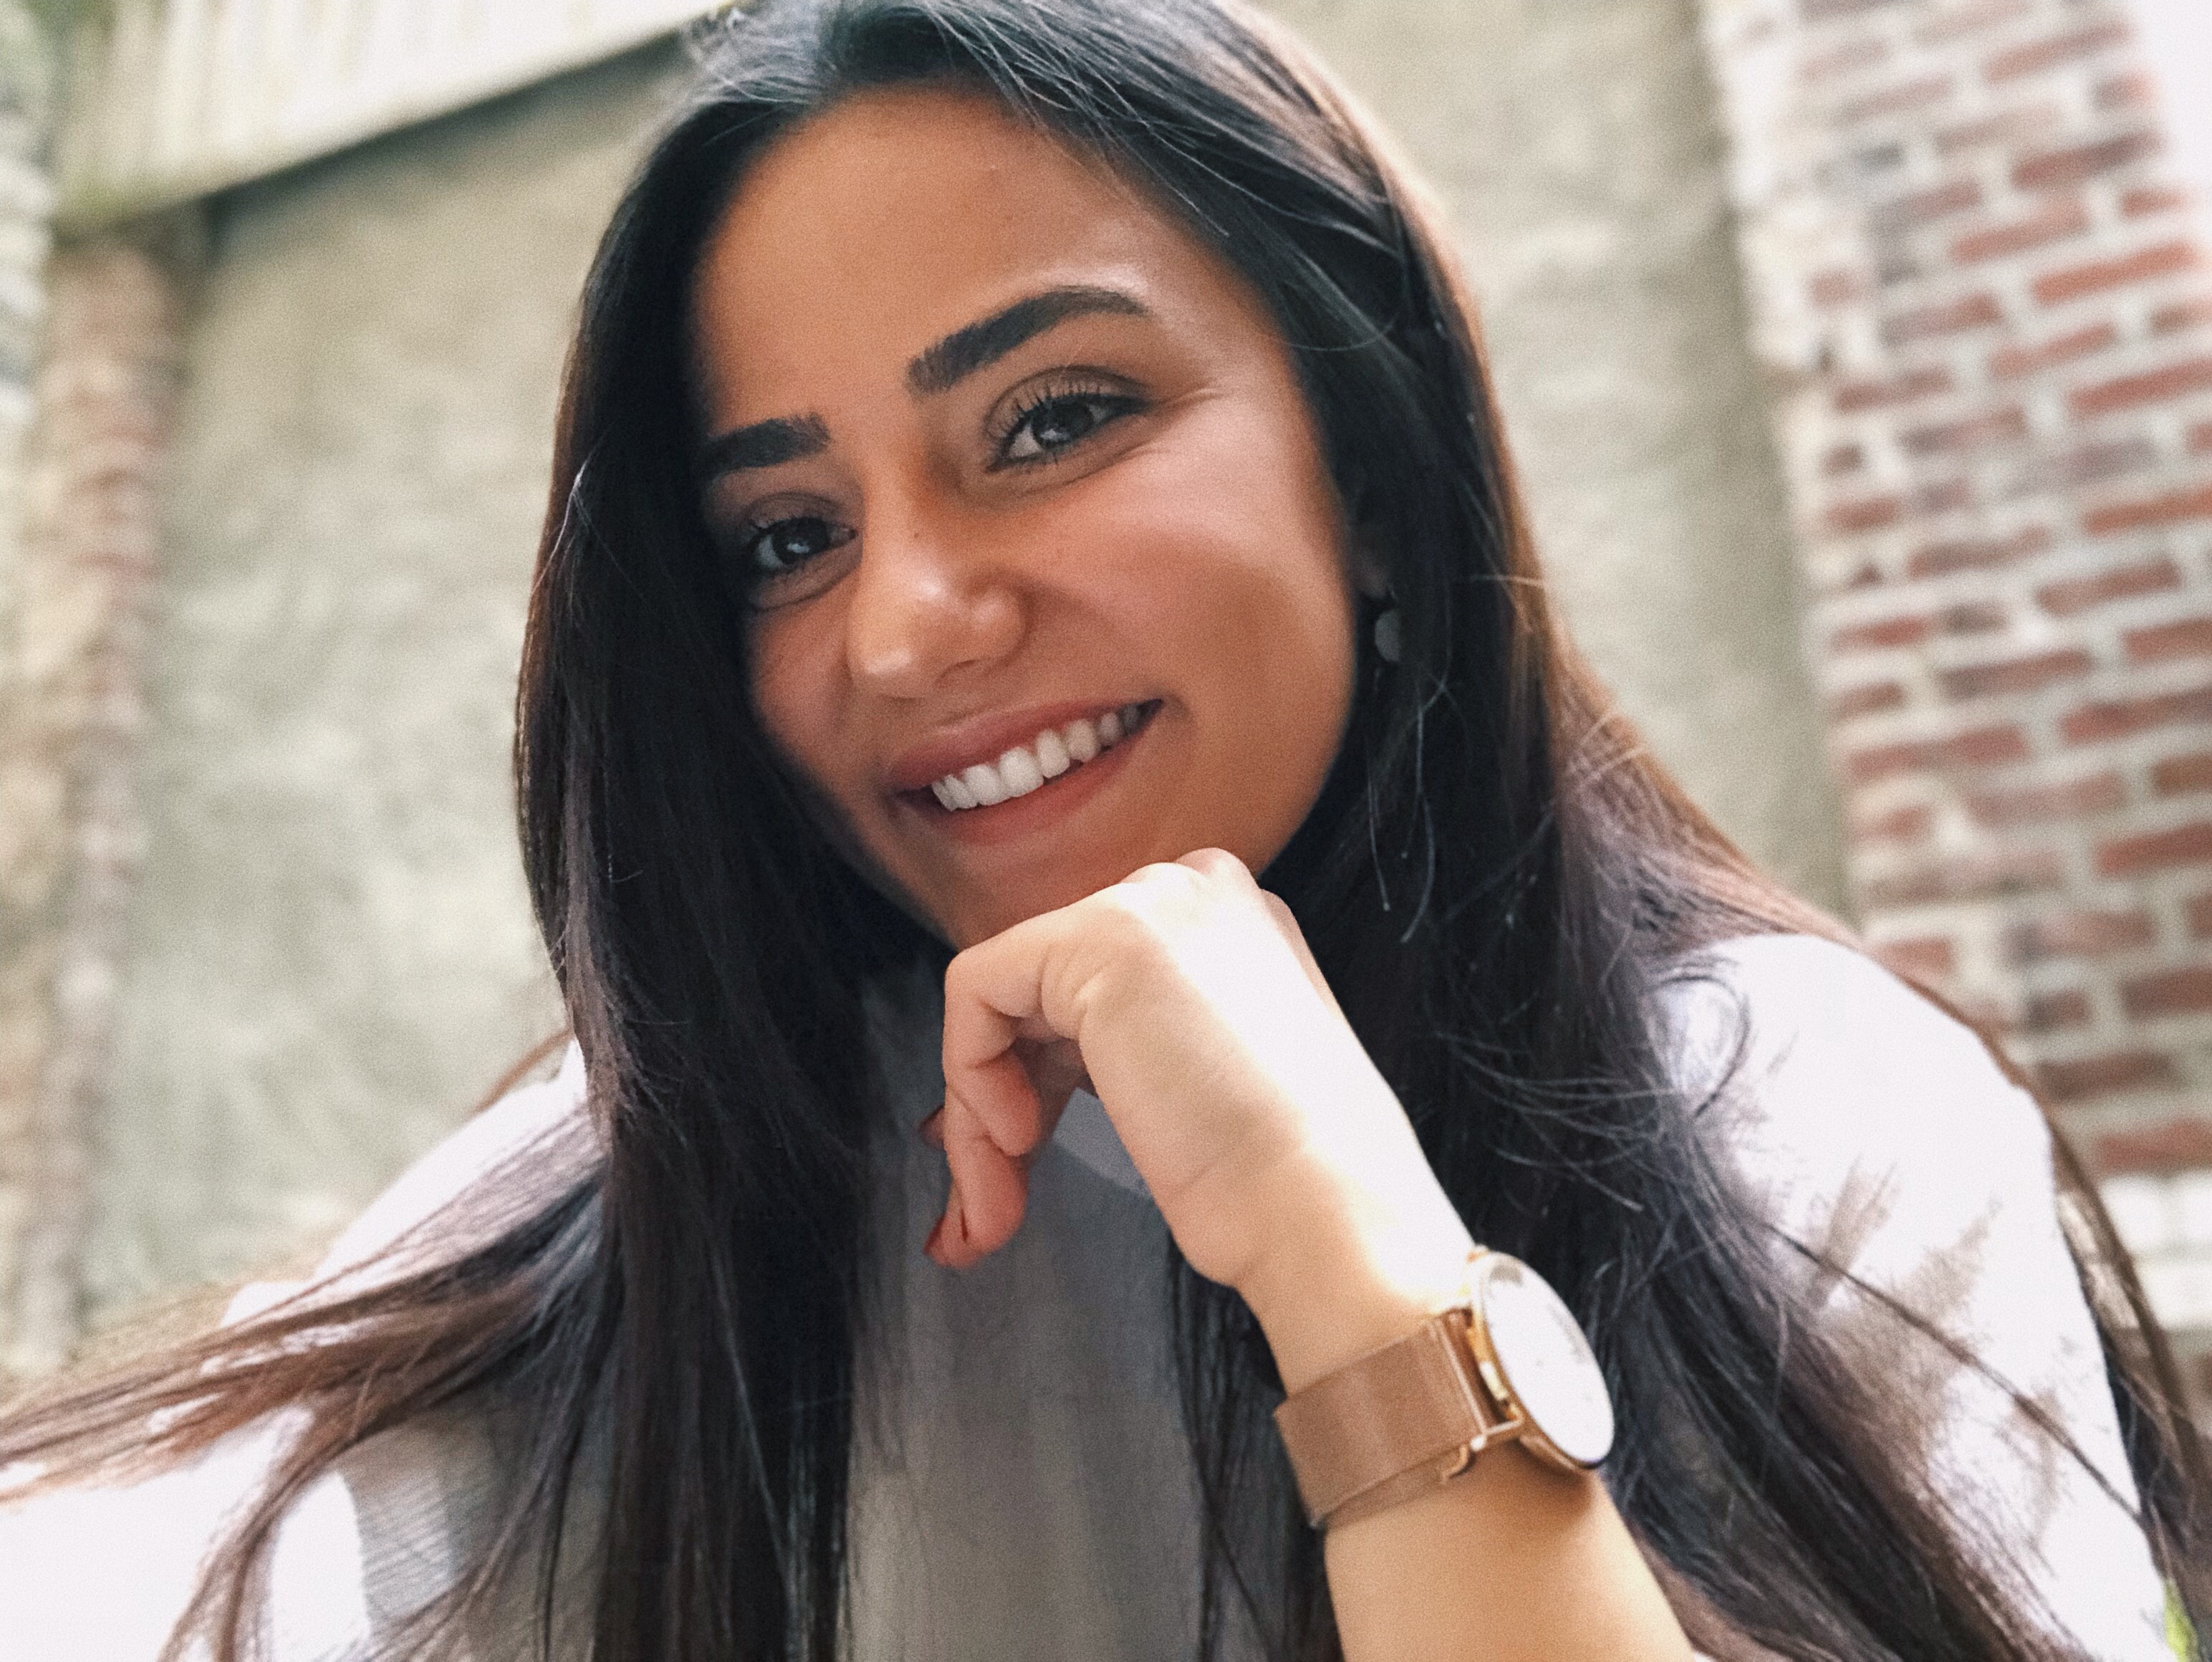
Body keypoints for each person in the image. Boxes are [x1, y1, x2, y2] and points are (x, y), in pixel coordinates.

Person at [1, 0, 2206, 1657]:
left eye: (1053, 418)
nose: (905, 625)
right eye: (786, 536)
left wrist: (1355, 1272)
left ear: (1372, 464)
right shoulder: (683, 1170)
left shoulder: (1819, 1117)